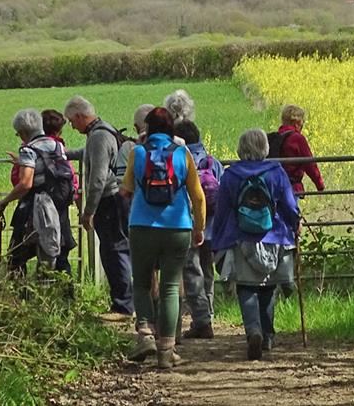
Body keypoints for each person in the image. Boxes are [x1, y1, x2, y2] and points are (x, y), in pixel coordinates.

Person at [119, 107, 206, 369]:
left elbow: (125, 190)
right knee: (170, 287)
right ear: (171, 129)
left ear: (147, 128)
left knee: (142, 283)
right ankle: (166, 352)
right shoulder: (183, 154)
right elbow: (198, 196)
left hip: (142, 226)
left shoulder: (138, 153)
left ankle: (146, 334)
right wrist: (199, 228)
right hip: (177, 227)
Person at [211, 129, 301, 361]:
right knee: (268, 286)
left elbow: (221, 210)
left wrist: (218, 237)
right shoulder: (276, 172)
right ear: (265, 148)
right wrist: (295, 224)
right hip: (274, 235)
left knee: (246, 287)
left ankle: (253, 331)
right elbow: (289, 205)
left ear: (241, 149)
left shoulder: (231, 176)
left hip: (241, 238)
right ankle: (268, 335)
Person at [63, 95, 134, 317]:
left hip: (109, 201)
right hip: (117, 199)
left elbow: (97, 179)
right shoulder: (104, 130)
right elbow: (89, 154)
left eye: (72, 121)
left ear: (80, 115)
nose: (72, 127)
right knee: (116, 248)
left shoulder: (98, 136)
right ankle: (123, 302)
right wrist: (61, 153)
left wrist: (88, 211)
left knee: (114, 250)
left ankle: (122, 306)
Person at [0, 109, 65, 275]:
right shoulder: (57, 146)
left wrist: (4, 201)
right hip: (55, 208)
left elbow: (26, 184)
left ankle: (20, 296)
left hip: (31, 210)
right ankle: (46, 291)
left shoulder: (28, 150)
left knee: (16, 255)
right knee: (47, 256)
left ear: (23, 132)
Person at [175, 120, 224, 340]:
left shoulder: (181, 159)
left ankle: (202, 320)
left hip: (191, 225)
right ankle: (208, 313)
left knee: (192, 272)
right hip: (212, 226)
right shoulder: (212, 161)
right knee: (207, 272)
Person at [41, 109, 79, 274]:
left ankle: (28, 294)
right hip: (60, 207)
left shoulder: (33, 148)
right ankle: (67, 294)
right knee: (62, 254)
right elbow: (72, 178)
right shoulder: (59, 149)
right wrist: (76, 197)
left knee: (31, 253)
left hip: (39, 207)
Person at [272, 105, 325, 195]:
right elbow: (309, 163)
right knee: (291, 209)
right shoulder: (297, 138)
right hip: (291, 187)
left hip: (274, 185)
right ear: (297, 123)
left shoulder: (275, 137)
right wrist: (320, 185)